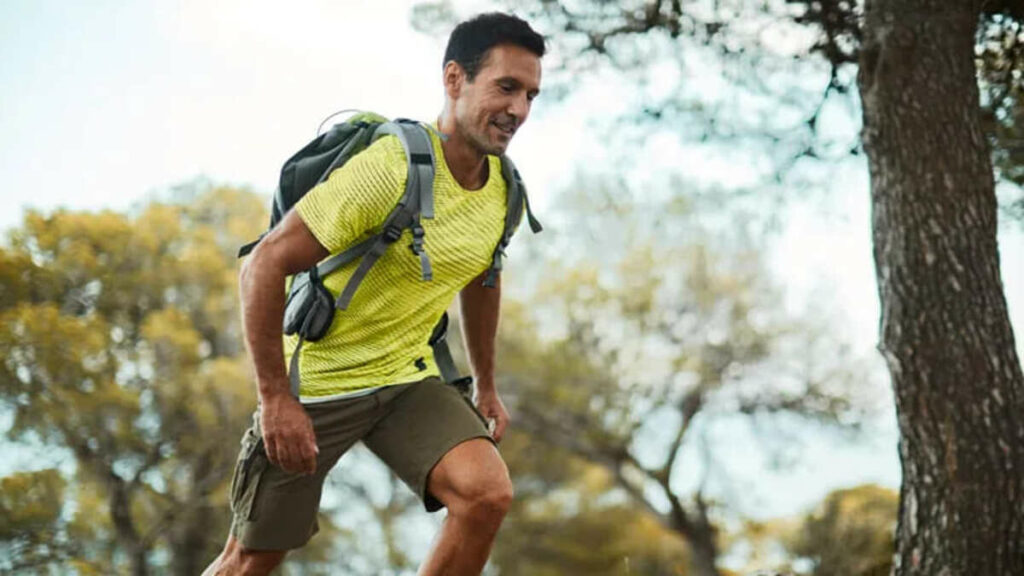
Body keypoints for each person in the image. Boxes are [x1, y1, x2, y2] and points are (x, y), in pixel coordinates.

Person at [202, 12, 545, 576]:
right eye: (506, 87)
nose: (519, 110)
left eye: (531, 94)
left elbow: (484, 278)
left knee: (485, 495)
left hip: (407, 379)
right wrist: (275, 400)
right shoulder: (390, 168)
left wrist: (486, 383)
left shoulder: (504, 189)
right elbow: (262, 265)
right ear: (455, 79)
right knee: (251, 560)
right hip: (319, 383)